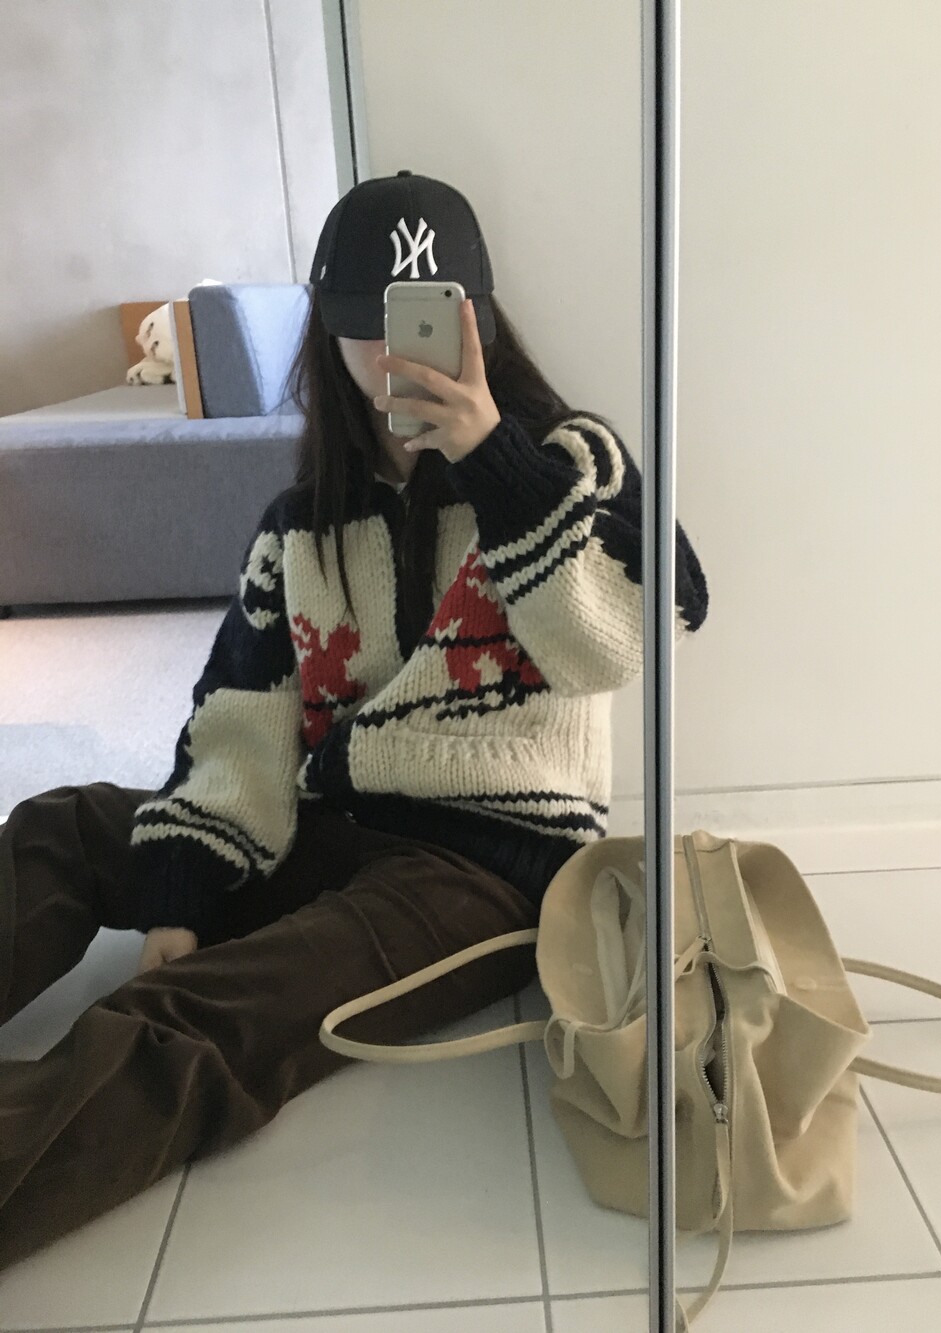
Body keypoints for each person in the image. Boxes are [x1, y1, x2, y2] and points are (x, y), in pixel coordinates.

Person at [0, 171, 708, 1270]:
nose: (390, 351)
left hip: (485, 874)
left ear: (475, 317)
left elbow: (629, 638)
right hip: (325, 828)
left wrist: (492, 456)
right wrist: (183, 885)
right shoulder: (303, 526)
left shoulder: (571, 465)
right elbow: (244, 717)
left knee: (195, 1020)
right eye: (362, 323)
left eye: (418, 317)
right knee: (63, 827)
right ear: (324, 335)